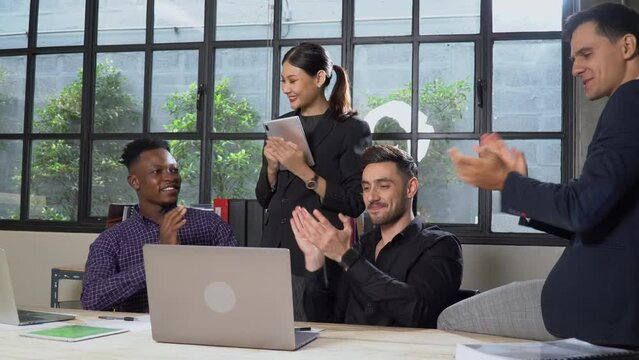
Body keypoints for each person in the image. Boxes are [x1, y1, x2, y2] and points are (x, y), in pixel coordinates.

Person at [443, 3, 639, 347]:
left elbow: (582, 210)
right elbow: (597, 214)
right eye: (573, 59)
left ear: (627, 46)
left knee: (451, 319)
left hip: (600, 306)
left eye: (586, 54)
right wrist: (521, 189)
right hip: (603, 300)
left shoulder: (630, 103)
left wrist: (506, 182)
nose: (576, 68)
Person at [255, 42, 372, 320]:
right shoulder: (280, 126)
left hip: (316, 259)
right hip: (271, 253)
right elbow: (264, 198)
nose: (286, 88)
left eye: (293, 80)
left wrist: (304, 171)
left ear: (319, 78)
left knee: (314, 336)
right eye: (283, 81)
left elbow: (355, 203)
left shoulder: (352, 129)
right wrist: (271, 168)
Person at [290, 145, 463, 327]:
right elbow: (324, 321)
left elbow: (418, 313)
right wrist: (314, 261)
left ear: (410, 188)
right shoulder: (361, 247)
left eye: (383, 186)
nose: (371, 197)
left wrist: (347, 257)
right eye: (366, 188)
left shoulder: (441, 245)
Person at [82, 137, 237, 312]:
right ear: (135, 182)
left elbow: (239, 281)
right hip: (141, 335)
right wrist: (160, 257)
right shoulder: (112, 240)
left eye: (173, 170)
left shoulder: (211, 225)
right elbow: (91, 299)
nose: (170, 177)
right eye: (157, 172)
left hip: (205, 328)